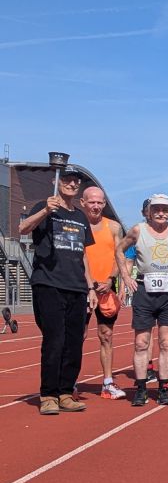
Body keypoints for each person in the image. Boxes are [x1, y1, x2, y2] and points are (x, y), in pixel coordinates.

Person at [19, 166, 97, 415]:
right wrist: (45, 210)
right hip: (49, 283)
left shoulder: (81, 217)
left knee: (74, 343)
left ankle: (65, 392)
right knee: (55, 340)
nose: (72, 184)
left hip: (77, 286)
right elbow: (23, 229)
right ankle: (48, 394)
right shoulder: (45, 207)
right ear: (57, 181)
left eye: (76, 181)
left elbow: (83, 254)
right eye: (67, 179)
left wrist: (91, 286)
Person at [116, 194, 168, 406]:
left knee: (166, 342)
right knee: (141, 342)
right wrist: (125, 277)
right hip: (144, 289)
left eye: (165, 209)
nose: (161, 213)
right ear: (149, 211)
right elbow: (119, 249)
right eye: (156, 209)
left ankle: (164, 388)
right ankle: (141, 388)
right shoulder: (138, 230)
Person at [81, 186, 126, 401]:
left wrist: (111, 279)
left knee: (106, 335)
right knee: (77, 337)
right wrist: (88, 283)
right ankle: (69, 383)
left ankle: (108, 383)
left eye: (99, 202)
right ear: (83, 203)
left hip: (107, 287)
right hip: (82, 288)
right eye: (91, 202)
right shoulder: (77, 225)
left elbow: (120, 257)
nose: (96, 206)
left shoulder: (114, 227)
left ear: (104, 204)